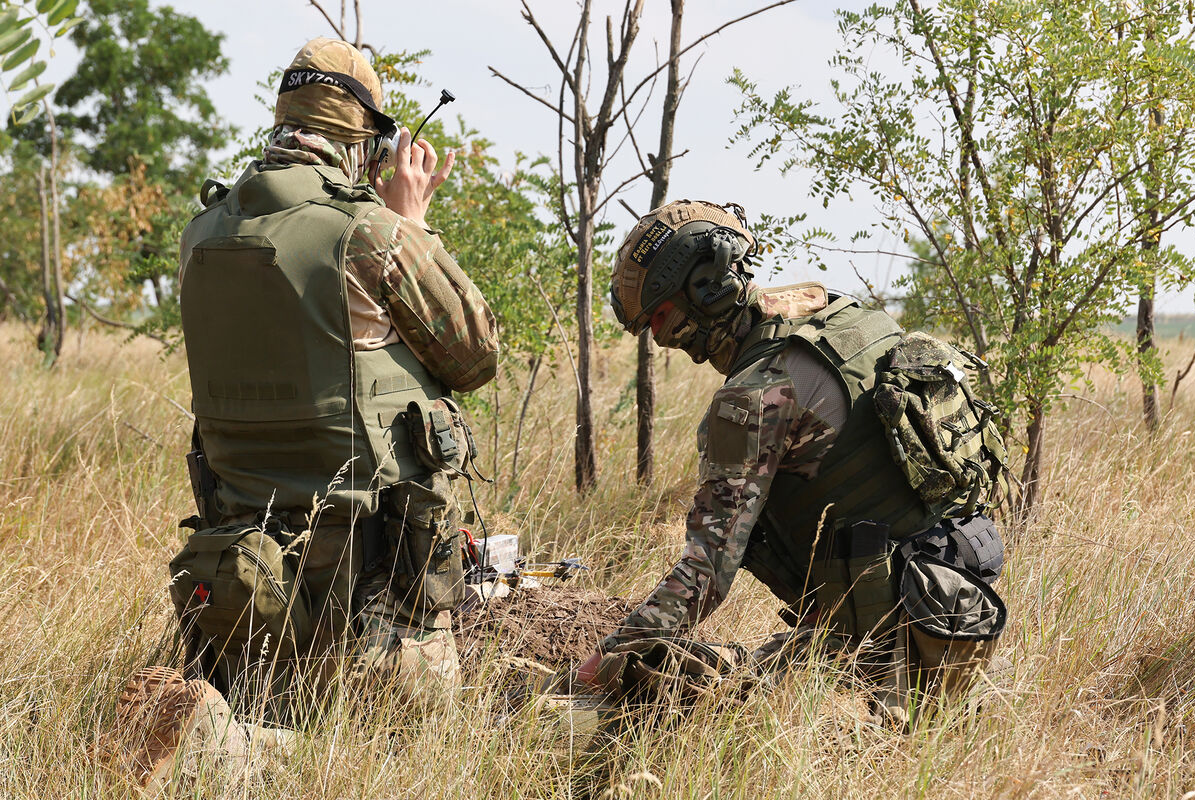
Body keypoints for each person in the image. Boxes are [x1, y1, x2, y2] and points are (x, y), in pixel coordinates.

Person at [98, 38, 498, 788]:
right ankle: (224, 747)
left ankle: (223, 719)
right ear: (362, 141)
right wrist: (411, 221)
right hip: (372, 567)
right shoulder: (370, 233)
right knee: (418, 748)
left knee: (299, 698)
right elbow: (475, 356)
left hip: (243, 560)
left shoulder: (201, 233)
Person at [577, 200, 1007, 721]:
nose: (662, 339)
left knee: (660, 707)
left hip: (888, 661)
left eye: (661, 318)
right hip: (960, 610)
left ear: (702, 291)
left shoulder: (754, 397)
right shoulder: (844, 316)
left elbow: (704, 574)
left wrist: (609, 657)